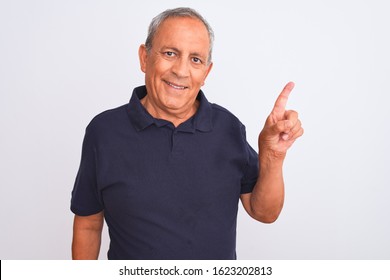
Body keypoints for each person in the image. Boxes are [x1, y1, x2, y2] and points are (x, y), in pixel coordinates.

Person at [71, 7, 303, 260]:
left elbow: (264, 213)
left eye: (195, 59)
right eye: (170, 53)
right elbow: (88, 224)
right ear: (144, 58)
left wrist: (272, 155)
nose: (181, 71)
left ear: (206, 72)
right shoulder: (104, 132)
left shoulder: (228, 128)